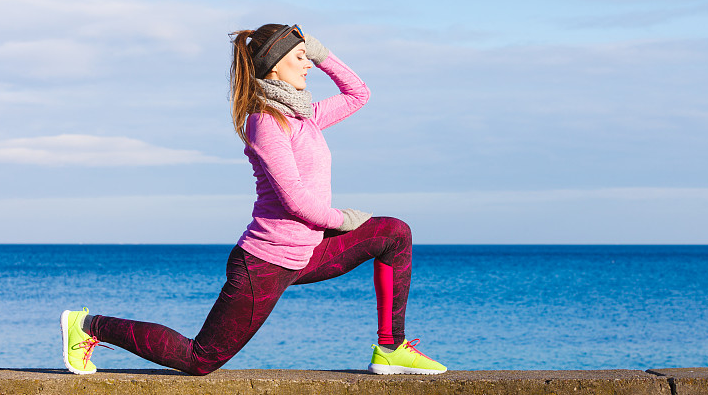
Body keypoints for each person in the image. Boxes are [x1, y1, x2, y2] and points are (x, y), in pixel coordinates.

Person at [60, 24, 447, 375]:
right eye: (299, 58)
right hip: (265, 262)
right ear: (274, 66)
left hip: (309, 253)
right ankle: (88, 326)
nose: (307, 64)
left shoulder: (305, 116)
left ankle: (390, 347)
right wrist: (341, 219)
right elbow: (294, 199)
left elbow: (358, 93)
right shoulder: (264, 121)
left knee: (395, 234)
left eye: (307, 56)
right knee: (201, 359)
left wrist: (319, 50)